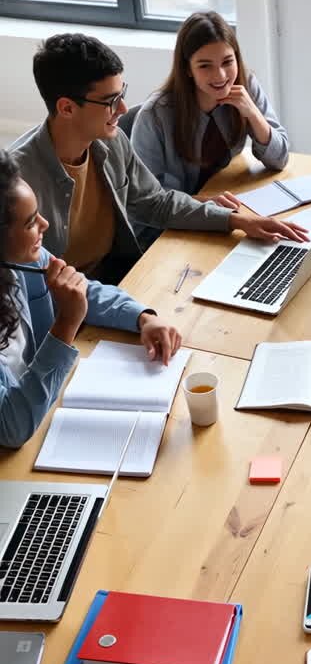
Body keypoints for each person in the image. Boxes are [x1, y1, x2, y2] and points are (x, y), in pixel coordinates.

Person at [10, 34, 307, 284]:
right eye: (111, 101)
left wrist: (236, 220)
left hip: (120, 278)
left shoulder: (112, 142)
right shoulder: (16, 181)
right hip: (63, 306)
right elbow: (24, 285)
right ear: (66, 108)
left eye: (121, 94)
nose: (123, 109)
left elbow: (156, 203)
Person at [0, 151, 181, 449]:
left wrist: (143, 317)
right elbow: (13, 427)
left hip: (44, 407)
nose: (44, 224)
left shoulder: (21, 259)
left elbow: (83, 290)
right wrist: (67, 323)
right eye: (30, 223)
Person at [130, 11, 289, 197]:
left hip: (224, 197)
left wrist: (253, 114)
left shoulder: (246, 85)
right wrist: (204, 204)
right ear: (188, 69)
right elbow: (148, 198)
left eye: (227, 62)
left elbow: (279, 159)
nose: (220, 76)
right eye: (205, 66)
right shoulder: (154, 116)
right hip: (179, 212)